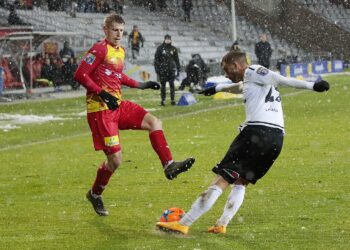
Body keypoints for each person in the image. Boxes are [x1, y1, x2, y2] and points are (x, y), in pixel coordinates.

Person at [156, 50, 330, 235]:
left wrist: (313, 85)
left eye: (226, 69)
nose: (225, 73)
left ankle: (183, 223)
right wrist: (216, 89)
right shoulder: (253, 81)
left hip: (256, 133)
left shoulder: (254, 71)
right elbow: (240, 87)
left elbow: (280, 79)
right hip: (276, 139)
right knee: (241, 181)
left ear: (236, 65)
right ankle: (221, 224)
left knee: (222, 179)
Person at [74, 14, 195, 216]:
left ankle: (169, 165)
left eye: (122, 31)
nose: (119, 34)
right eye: (115, 30)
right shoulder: (99, 48)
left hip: (118, 105)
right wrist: (102, 93)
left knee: (154, 121)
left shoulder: (120, 50)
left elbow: (116, 75)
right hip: (101, 111)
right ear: (105, 30)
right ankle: (95, 194)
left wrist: (141, 84)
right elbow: (80, 74)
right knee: (116, 161)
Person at [154, 34, 180, 106]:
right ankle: (163, 100)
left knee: (172, 85)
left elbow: (177, 60)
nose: (168, 40)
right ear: (164, 39)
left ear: (171, 40)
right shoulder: (160, 48)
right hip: (163, 71)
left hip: (171, 70)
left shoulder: (173, 49)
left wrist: (178, 69)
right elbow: (156, 60)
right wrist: (157, 70)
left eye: (169, 39)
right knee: (163, 86)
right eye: (166, 38)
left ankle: (172, 100)